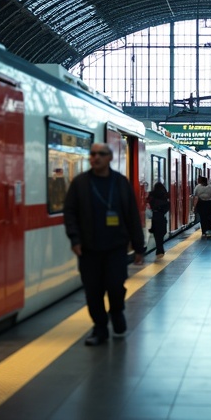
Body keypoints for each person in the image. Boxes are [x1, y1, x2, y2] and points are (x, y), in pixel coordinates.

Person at [64, 143, 146, 346]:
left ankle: (117, 311)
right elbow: (70, 213)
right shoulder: (80, 183)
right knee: (93, 291)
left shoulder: (120, 183)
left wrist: (138, 247)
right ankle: (100, 328)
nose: (96, 157)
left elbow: (132, 215)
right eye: (92, 154)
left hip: (116, 247)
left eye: (101, 154)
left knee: (116, 286)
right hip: (89, 248)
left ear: (110, 157)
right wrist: (74, 238)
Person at [147, 182, 170, 257]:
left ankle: (159, 250)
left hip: (155, 216)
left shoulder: (152, 195)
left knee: (156, 235)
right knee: (162, 233)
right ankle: (160, 249)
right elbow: (167, 206)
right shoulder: (165, 195)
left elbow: (148, 203)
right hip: (162, 217)